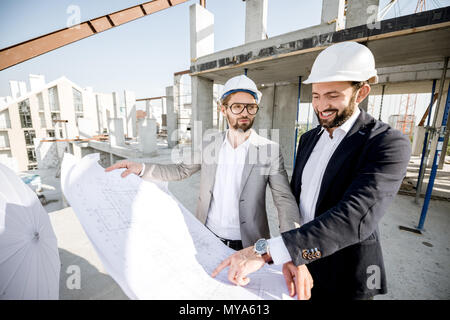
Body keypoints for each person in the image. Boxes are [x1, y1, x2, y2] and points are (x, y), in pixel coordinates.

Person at [211, 41, 411, 300]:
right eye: (316, 95)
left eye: (333, 95)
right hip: (300, 261)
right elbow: (293, 202)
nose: (321, 106)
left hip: (344, 274)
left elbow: (353, 219)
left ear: (360, 92)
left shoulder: (386, 143)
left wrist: (267, 250)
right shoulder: (308, 139)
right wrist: (295, 257)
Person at [105, 75, 313, 296]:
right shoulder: (208, 143)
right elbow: (181, 170)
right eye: (237, 107)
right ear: (223, 109)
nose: (245, 113)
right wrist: (142, 168)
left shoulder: (269, 150)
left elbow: (284, 201)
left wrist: (294, 251)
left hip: (250, 246)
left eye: (251, 107)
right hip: (206, 238)